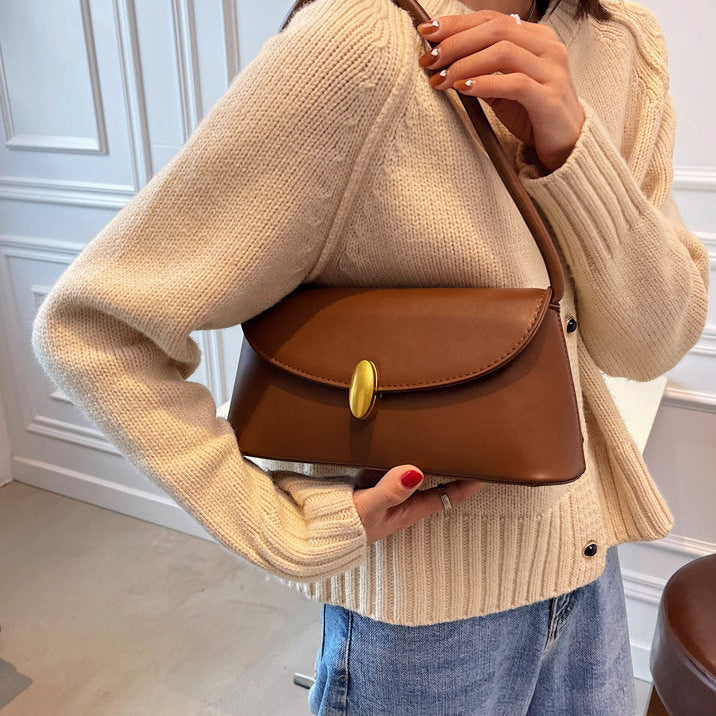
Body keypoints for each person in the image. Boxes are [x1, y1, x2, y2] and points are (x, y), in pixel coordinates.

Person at [30, 0, 709, 713]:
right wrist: (282, 527)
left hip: (588, 575)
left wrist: (574, 146)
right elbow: (92, 327)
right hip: (422, 624)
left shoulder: (620, 41)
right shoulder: (360, 44)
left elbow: (650, 345)